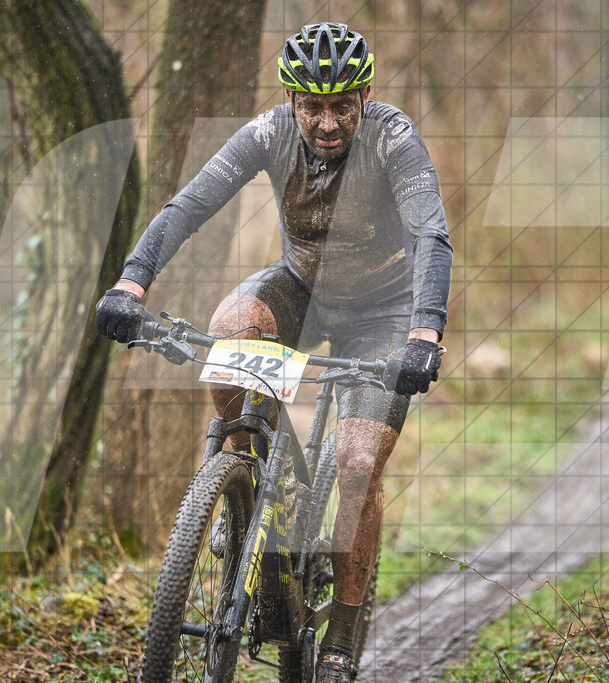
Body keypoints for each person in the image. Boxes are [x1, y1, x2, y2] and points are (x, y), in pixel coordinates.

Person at [94, 22, 452, 682]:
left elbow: (431, 234)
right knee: (231, 327)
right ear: (291, 100)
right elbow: (189, 205)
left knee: (357, 461)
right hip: (301, 289)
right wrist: (130, 283)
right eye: (312, 106)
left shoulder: (393, 138)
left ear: (364, 95)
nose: (326, 122)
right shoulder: (267, 133)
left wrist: (424, 332)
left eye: (341, 105)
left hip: (383, 314)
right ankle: (247, 486)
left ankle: (341, 633)